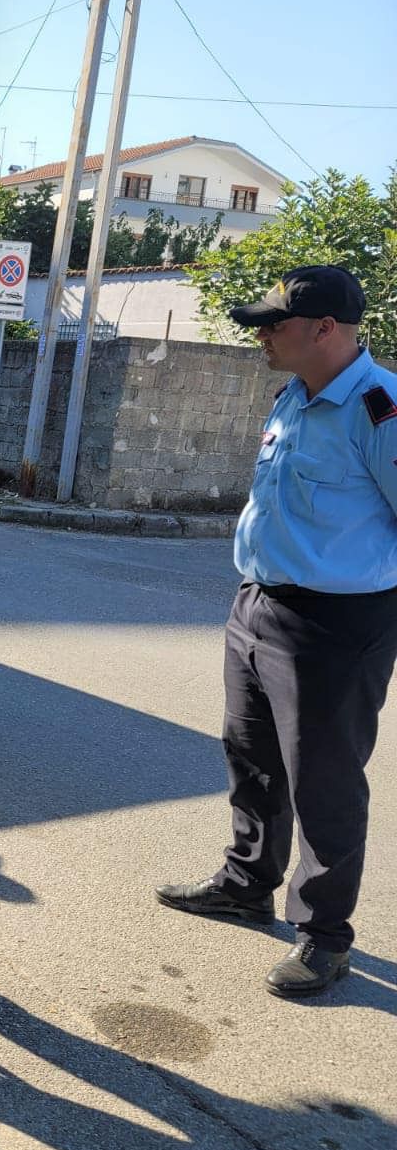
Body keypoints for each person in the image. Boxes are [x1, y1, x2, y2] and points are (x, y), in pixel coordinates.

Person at [156, 265, 397, 998]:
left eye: (274, 323)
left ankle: (325, 936)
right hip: (257, 601)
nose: (261, 334)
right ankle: (246, 882)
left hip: (337, 622)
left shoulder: (379, 409)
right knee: (252, 756)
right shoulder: (291, 397)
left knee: (325, 780)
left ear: (326, 329)